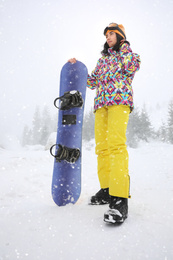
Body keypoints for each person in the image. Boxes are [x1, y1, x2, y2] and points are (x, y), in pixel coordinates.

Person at [68, 22, 141, 224]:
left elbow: (132, 67)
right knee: (102, 148)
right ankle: (108, 189)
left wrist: (123, 49)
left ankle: (119, 198)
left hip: (119, 101)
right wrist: (76, 67)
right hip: (101, 105)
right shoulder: (103, 60)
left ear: (120, 37)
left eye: (112, 34)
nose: (108, 37)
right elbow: (91, 82)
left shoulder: (130, 56)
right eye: (106, 35)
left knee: (116, 146)